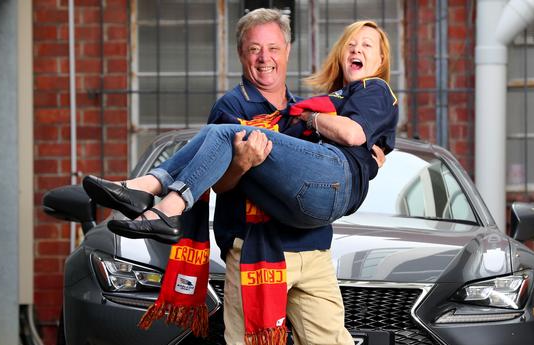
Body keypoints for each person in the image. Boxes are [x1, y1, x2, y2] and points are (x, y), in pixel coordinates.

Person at [85, 9, 389, 345]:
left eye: (272, 48)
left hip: (310, 247)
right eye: (253, 50)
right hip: (254, 246)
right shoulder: (230, 107)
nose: (264, 59)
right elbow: (222, 187)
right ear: (241, 54)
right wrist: (242, 164)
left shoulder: (308, 109)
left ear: (287, 52)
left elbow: (343, 151)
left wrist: (374, 152)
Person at [82, 20, 397, 244]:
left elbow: (355, 135)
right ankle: (145, 188)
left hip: (327, 192)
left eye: (366, 45)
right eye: (350, 45)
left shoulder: (373, 87)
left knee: (221, 134)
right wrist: (245, 160)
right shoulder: (334, 97)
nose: (356, 49)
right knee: (219, 133)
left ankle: (163, 203)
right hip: (297, 210)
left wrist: (311, 117)